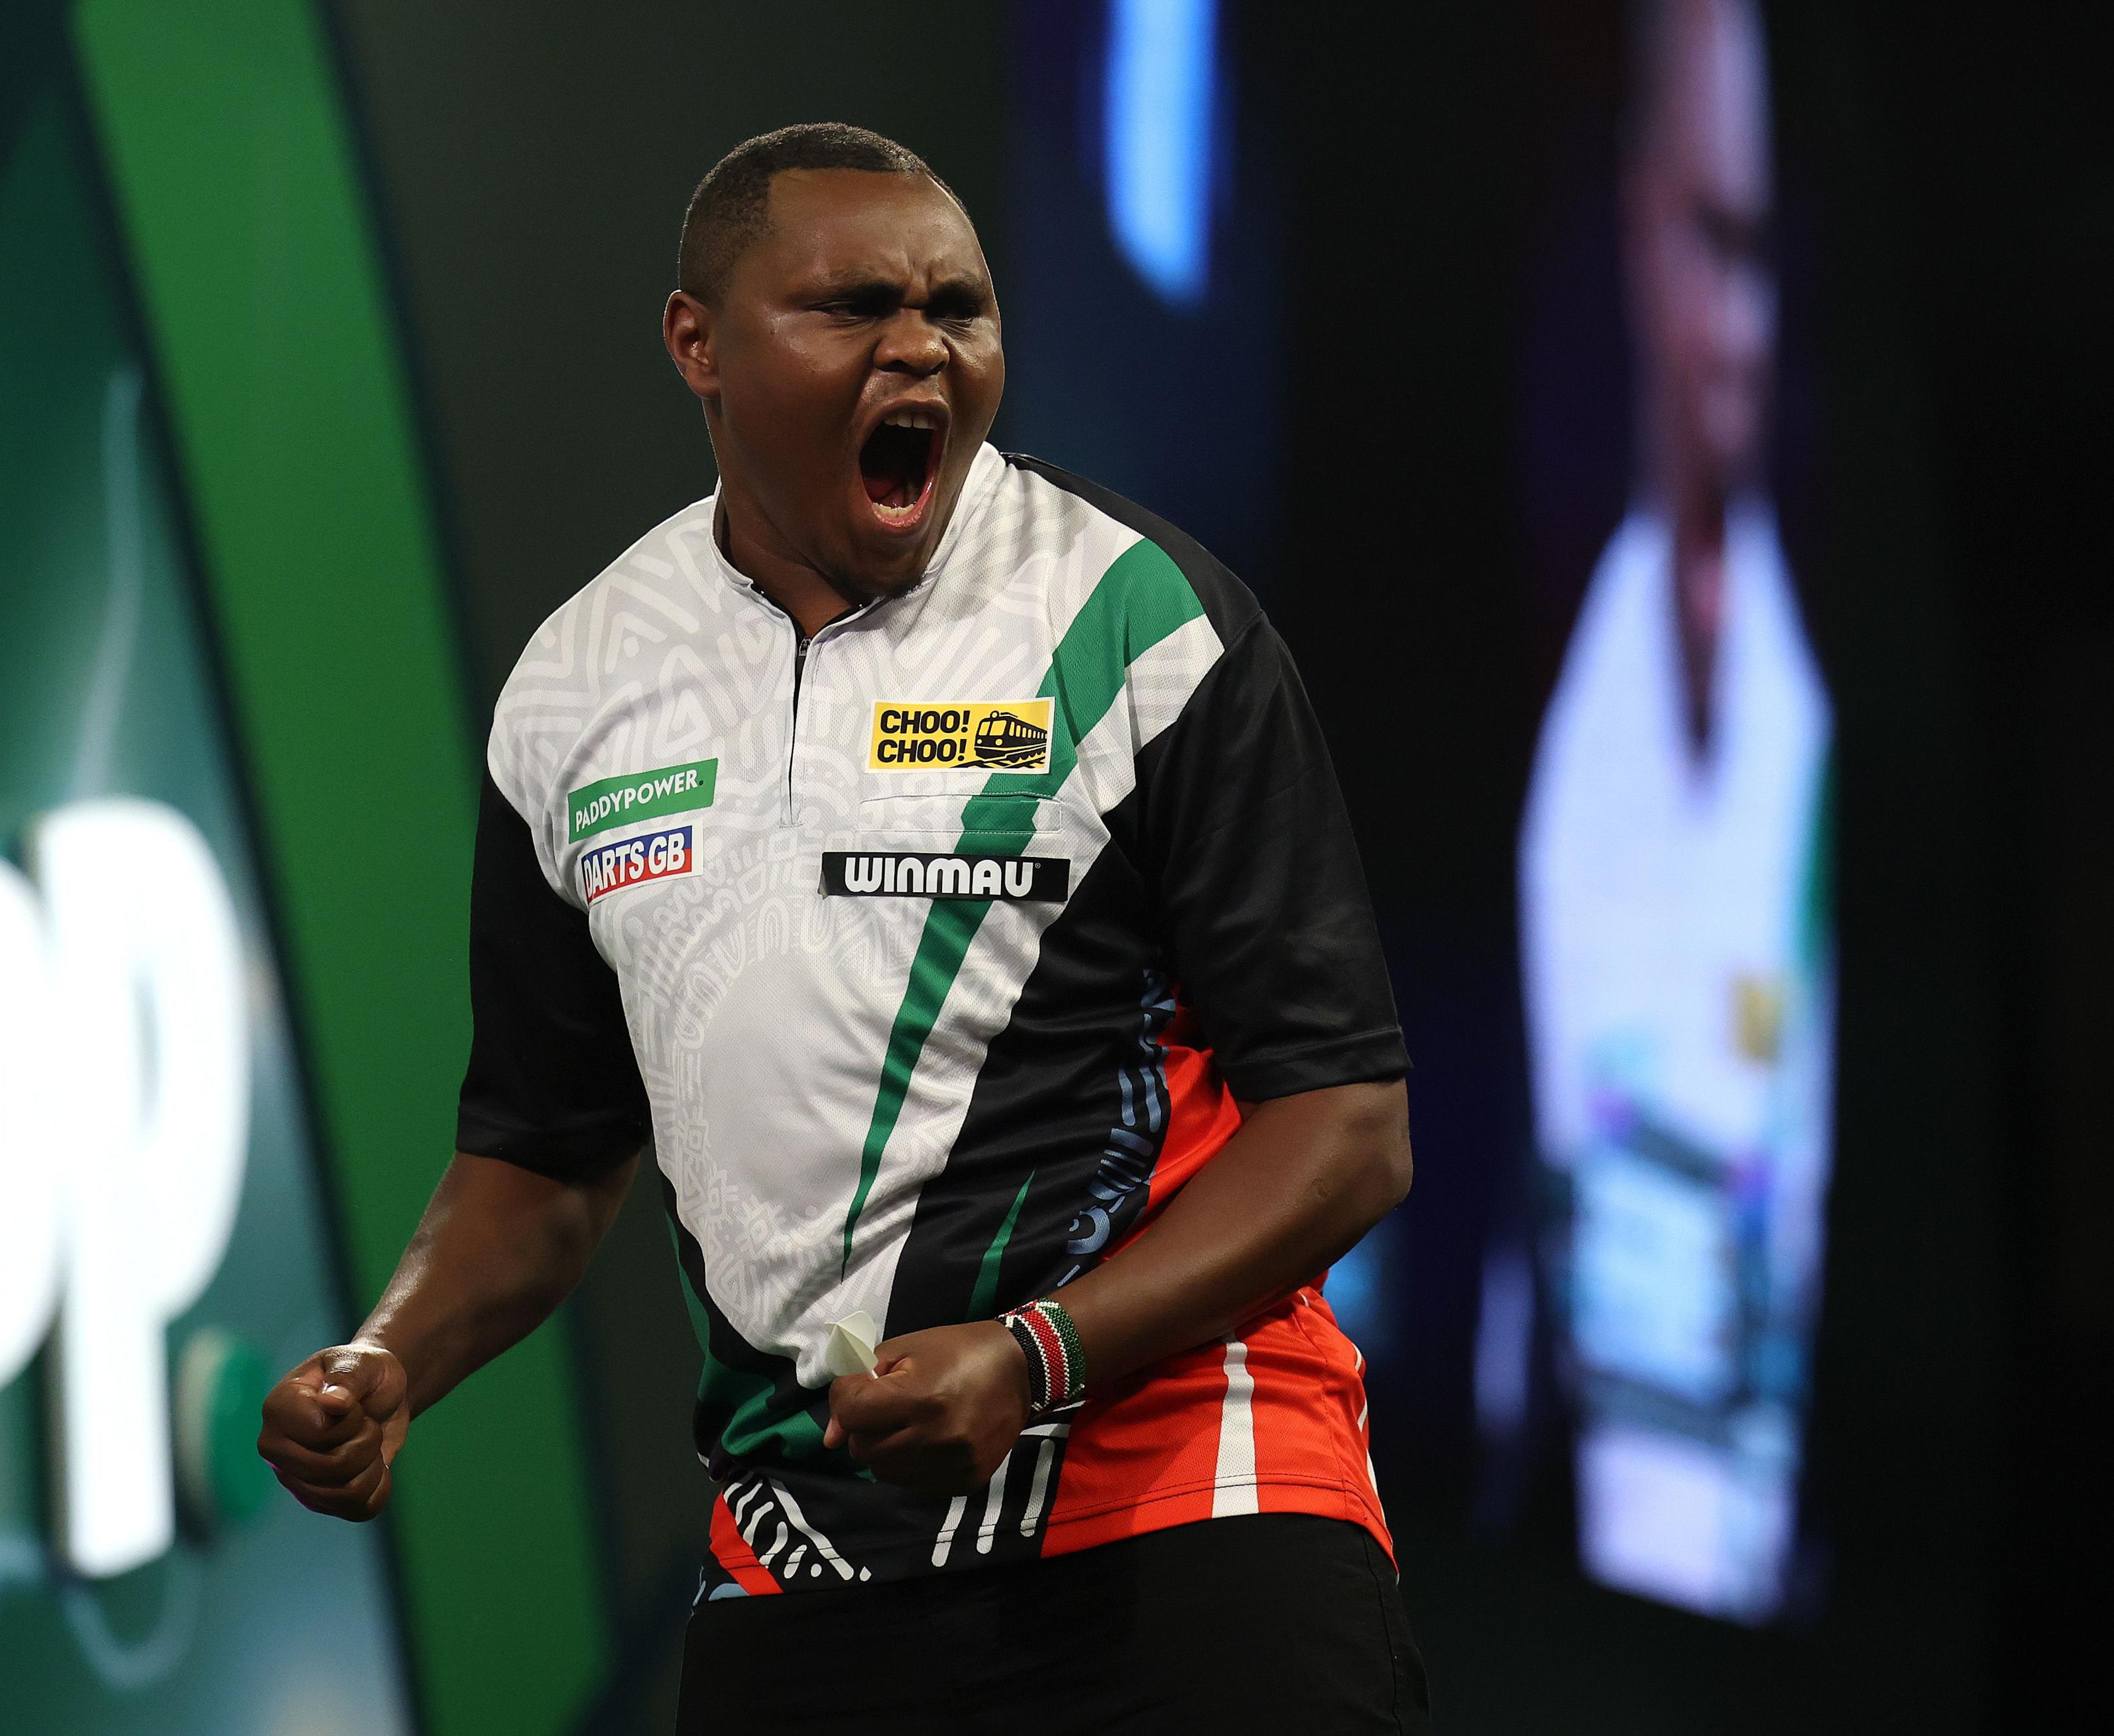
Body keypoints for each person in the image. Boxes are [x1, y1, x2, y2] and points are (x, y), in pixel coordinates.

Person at [259, 123, 1431, 1731]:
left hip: (1193, 1518)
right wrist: (393, 1358)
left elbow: (1349, 1124)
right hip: (803, 1566)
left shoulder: (1144, 625)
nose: (921, 346)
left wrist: (1038, 1352)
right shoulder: (578, 684)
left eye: (959, 307)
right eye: (855, 306)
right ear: (698, 347)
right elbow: (542, 1152)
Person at [1511, 0, 1834, 1622]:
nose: (1744, 329)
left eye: (1765, 255)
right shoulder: (1563, 747)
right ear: (1639, 232)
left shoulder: (1811, 707)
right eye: (1712, 244)